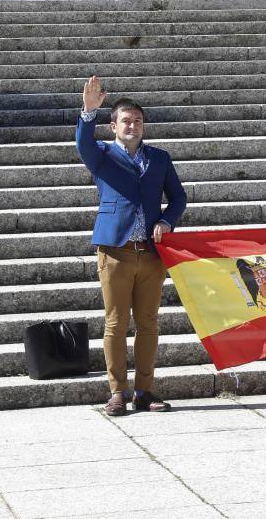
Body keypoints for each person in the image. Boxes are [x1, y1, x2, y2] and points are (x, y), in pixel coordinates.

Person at [76, 76, 187, 417]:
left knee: (149, 323)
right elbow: (83, 145)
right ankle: (117, 392)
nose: (133, 125)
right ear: (114, 126)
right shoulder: (103, 155)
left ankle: (144, 389)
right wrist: (88, 113)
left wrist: (167, 221)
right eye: (126, 120)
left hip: (152, 253)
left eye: (138, 121)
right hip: (115, 251)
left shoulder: (159, 157)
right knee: (115, 323)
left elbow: (179, 197)